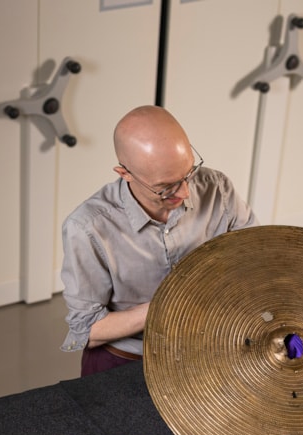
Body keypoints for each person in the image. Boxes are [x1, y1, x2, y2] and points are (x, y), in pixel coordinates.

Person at [59, 105, 257, 375]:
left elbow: (257, 258)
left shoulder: (217, 187)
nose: (186, 192)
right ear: (124, 173)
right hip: (128, 359)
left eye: (188, 173)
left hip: (210, 346)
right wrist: (173, 302)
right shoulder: (87, 227)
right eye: (166, 188)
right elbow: (89, 330)